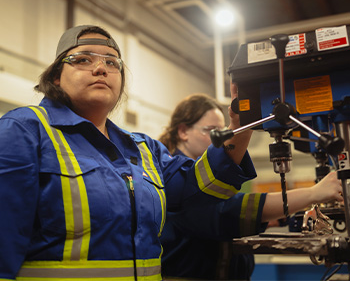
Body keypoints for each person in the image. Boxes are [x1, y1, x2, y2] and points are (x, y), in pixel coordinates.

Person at [0, 25, 258, 281]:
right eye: (82, 59)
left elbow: (202, 188)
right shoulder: (25, 131)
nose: (101, 68)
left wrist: (239, 126)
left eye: (112, 63)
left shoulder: (144, 149)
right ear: (56, 76)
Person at [158, 93, 343, 280]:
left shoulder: (212, 180)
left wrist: (284, 217)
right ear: (183, 131)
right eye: (212, 130)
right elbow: (225, 212)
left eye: (222, 129)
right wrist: (313, 193)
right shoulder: (174, 179)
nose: (222, 136)